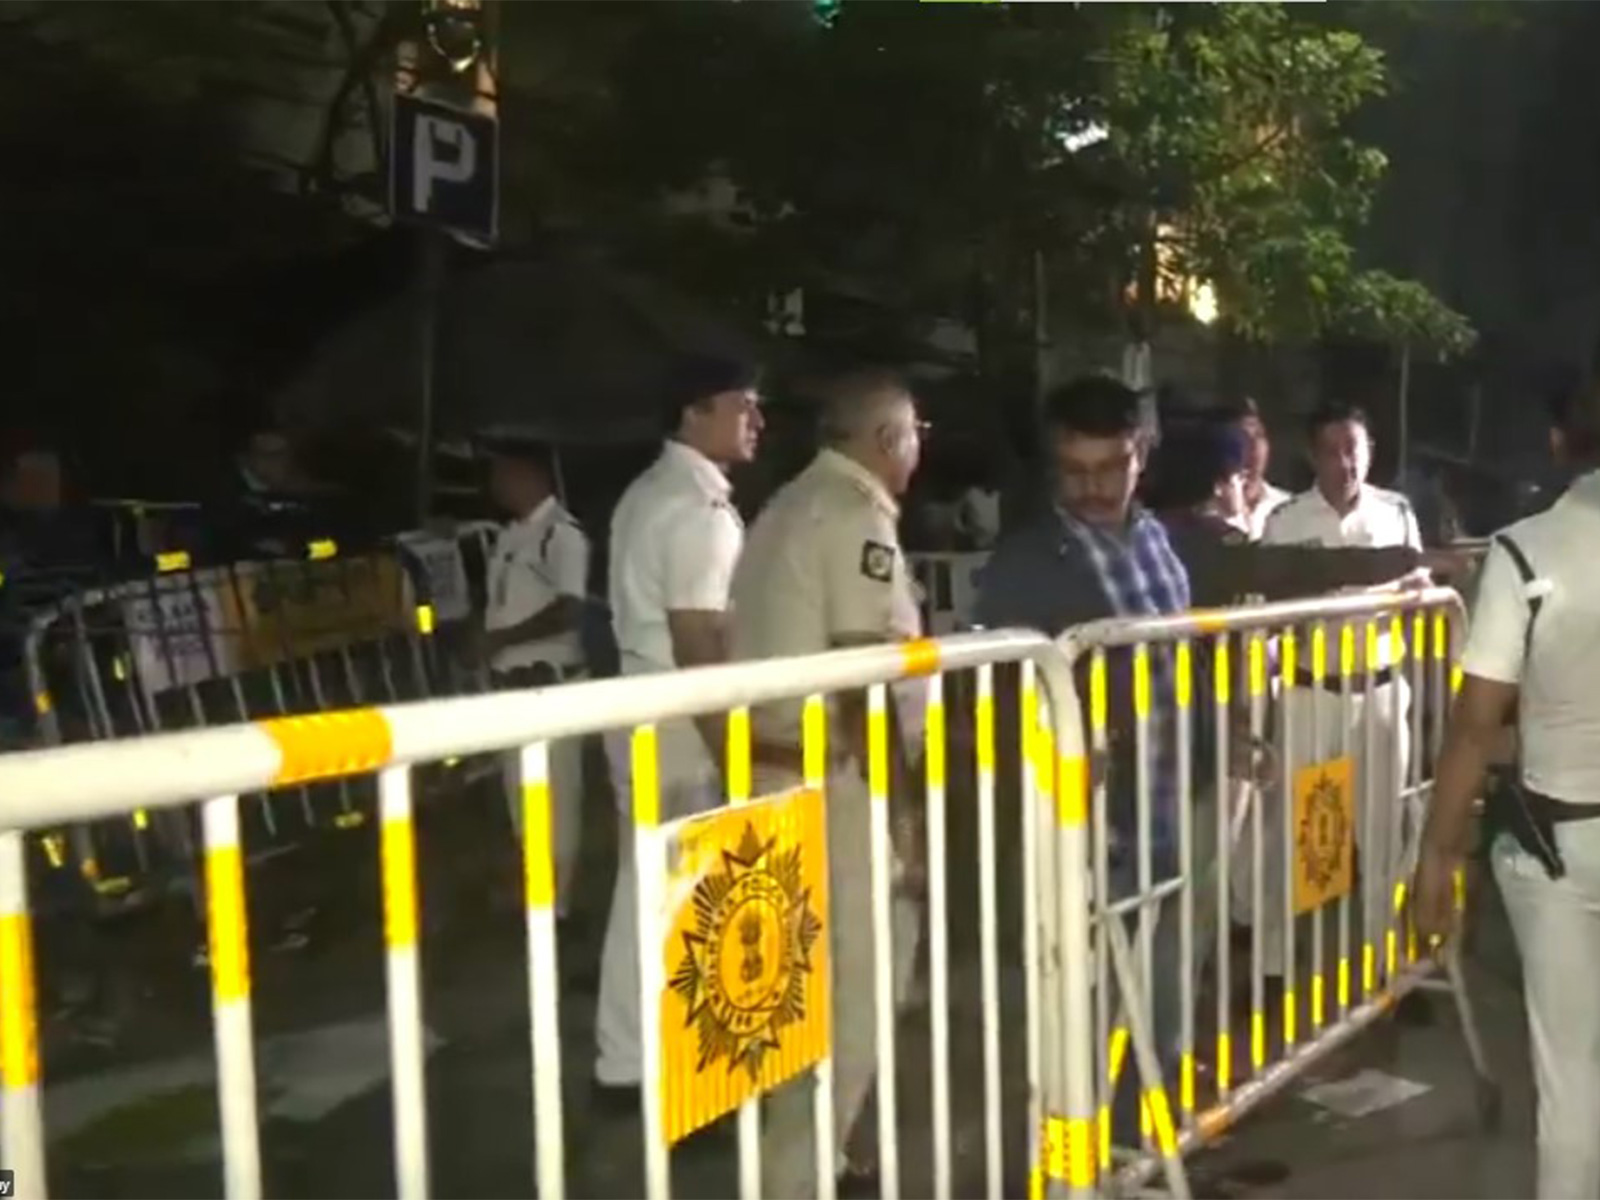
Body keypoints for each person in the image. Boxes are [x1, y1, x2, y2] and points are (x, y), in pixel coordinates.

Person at [974, 376, 1198, 1142]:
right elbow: (1001, 693)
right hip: (1089, 830)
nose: (1095, 487)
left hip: (1167, 813)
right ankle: (1075, 1163)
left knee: (1162, 1005)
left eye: (1112, 466)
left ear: (1141, 456)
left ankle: (1146, 1150)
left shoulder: (1158, 539)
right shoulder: (1029, 562)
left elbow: (1184, 661)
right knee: (1080, 1013)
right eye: (1075, 471)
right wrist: (1055, 748)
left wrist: (1230, 736)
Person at [728, 368, 925, 1197]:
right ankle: (797, 1174)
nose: (921, 445)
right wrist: (903, 814)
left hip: (778, 770)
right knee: (858, 989)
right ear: (886, 441)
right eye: (915, 430)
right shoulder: (853, 516)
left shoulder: (786, 508)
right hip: (837, 782)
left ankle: (813, 1153)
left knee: (798, 991)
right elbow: (862, 684)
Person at [1415, 383, 1600, 1200]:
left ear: (1561, 443)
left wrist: (1436, 854)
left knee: (1569, 1079)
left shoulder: (1526, 552)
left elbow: (1474, 727)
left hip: (1557, 849)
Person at [592, 354, 764, 1110]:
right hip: (680, 717)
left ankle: (633, 1060)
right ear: (696, 414)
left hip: (646, 705)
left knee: (650, 888)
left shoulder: (648, 492)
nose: (757, 422)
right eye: (743, 407)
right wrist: (737, 755)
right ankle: (654, 1066)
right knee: (676, 893)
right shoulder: (694, 510)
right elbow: (702, 644)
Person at [1259, 403, 1423, 1003]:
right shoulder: (1285, 522)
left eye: (1354, 448)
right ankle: (1276, 967)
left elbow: (1418, 593)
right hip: (1310, 694)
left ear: (1370, 451)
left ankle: (1379, 966)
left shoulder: (1397, 514)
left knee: (1383, 832)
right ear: (1311, 455)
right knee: (1298, 830)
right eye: (1331, 449)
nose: (1344, 461)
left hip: (1380, 692)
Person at [479, 438, 589, 922]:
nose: (496, 485)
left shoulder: (561, 535)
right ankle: (537, 898)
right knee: (523, 804)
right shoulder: (511, 536)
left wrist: (502, 638)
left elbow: (570, 608)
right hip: (512, 687)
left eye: (504, 473)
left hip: (549, 684)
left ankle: (557, 908)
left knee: (556, 803)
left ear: (530, 475)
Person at [1224, 398, 1290, 539]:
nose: (1254, 447)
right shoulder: (1201, 517)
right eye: (1243, 437)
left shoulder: (1290, 509)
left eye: (1259, 435)